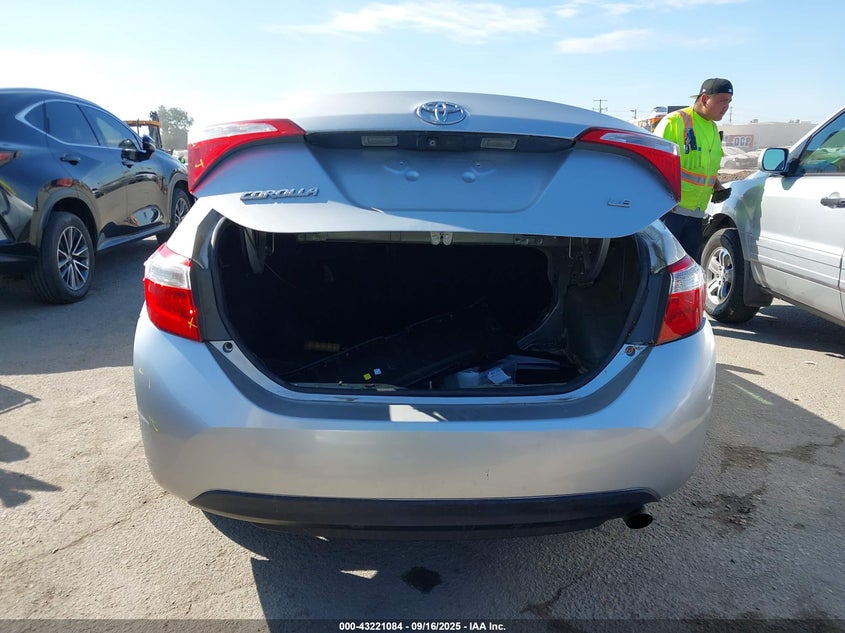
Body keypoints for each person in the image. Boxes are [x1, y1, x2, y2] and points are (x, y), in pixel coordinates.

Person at [653, 78, 733, 263]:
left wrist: (717, 186)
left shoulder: (712, 128)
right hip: (670, 213)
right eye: (722, 101)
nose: (726, 107)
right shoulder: (674, 122)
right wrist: (662, 199)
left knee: (686, 269)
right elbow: (653, 162)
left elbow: (703, 167)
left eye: (729, 102)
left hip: (696, 214)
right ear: (705, 99)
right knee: (662, 267)